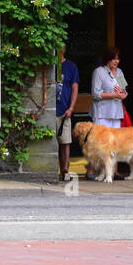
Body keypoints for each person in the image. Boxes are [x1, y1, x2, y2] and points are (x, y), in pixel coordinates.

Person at [54, 46, 80, 182]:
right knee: (52, 143)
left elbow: (74, 88)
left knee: (65, 142)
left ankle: (65, 171)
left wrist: (71, 107)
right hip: (51, 111)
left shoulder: (71, 66)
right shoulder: (50, 65)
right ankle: (53, 171)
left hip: (64, 111)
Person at [89, 47, 127, 128]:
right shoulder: (99, 72)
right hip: (102, 115)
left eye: (118, 59)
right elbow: (95, 94)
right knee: (102, 140)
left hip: (117, 114)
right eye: (114, 59)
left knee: (116, 140)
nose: (117, 61)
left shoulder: (119, 72)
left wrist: (123, 93)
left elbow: (124, 91)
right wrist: (115, 95)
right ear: (107, 58)